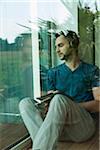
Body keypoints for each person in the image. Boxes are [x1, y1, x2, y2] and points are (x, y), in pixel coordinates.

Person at [19, 30, 100, 150]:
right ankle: (44, 145)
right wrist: (48, 106)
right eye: (56, 46)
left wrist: (69, 106)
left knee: (59, 99)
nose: (57, 50)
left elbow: (99, 104)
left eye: (61, 45)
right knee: (25, 103)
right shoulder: (53, 72)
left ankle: (40, 147)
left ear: (72, 44)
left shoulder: (91, 70)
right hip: (59, 129)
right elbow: (51, 103)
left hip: (83, 128)